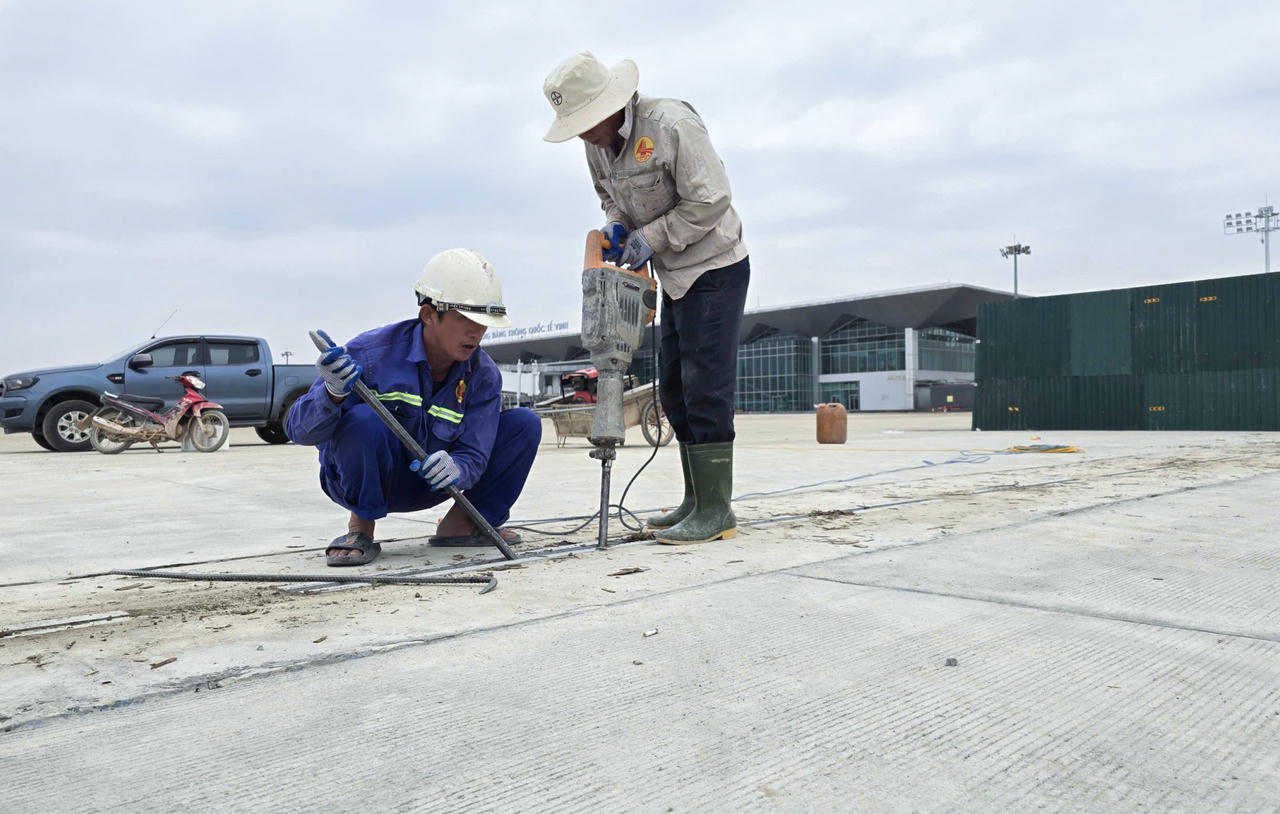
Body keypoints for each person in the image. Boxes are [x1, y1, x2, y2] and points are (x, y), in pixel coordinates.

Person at [542, 51, 750, 545]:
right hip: (672, 275)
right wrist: (616, 226)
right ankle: (695, 500)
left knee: (707, 386)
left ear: (608, 106)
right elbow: (610, 196)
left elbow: (711, 197)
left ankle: (717, 510)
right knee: (675, 387)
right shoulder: (596, 145)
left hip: (714, 268)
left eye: (585, 123)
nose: (583, 136)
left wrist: (650, 238)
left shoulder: (671, 124)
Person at [287, 248, 541, 566]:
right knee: (365, 419)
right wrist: (331, 394)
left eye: (483, 323)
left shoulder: (483, 375)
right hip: (366, 482)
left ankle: (463, 524)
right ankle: (360, 526)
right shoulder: (370, 354)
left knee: (525, 424)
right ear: (429, 315)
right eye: (465, 319)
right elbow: (298, 430)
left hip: (436, 485)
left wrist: (459, 468)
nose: (476, 332)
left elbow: (476, 452)